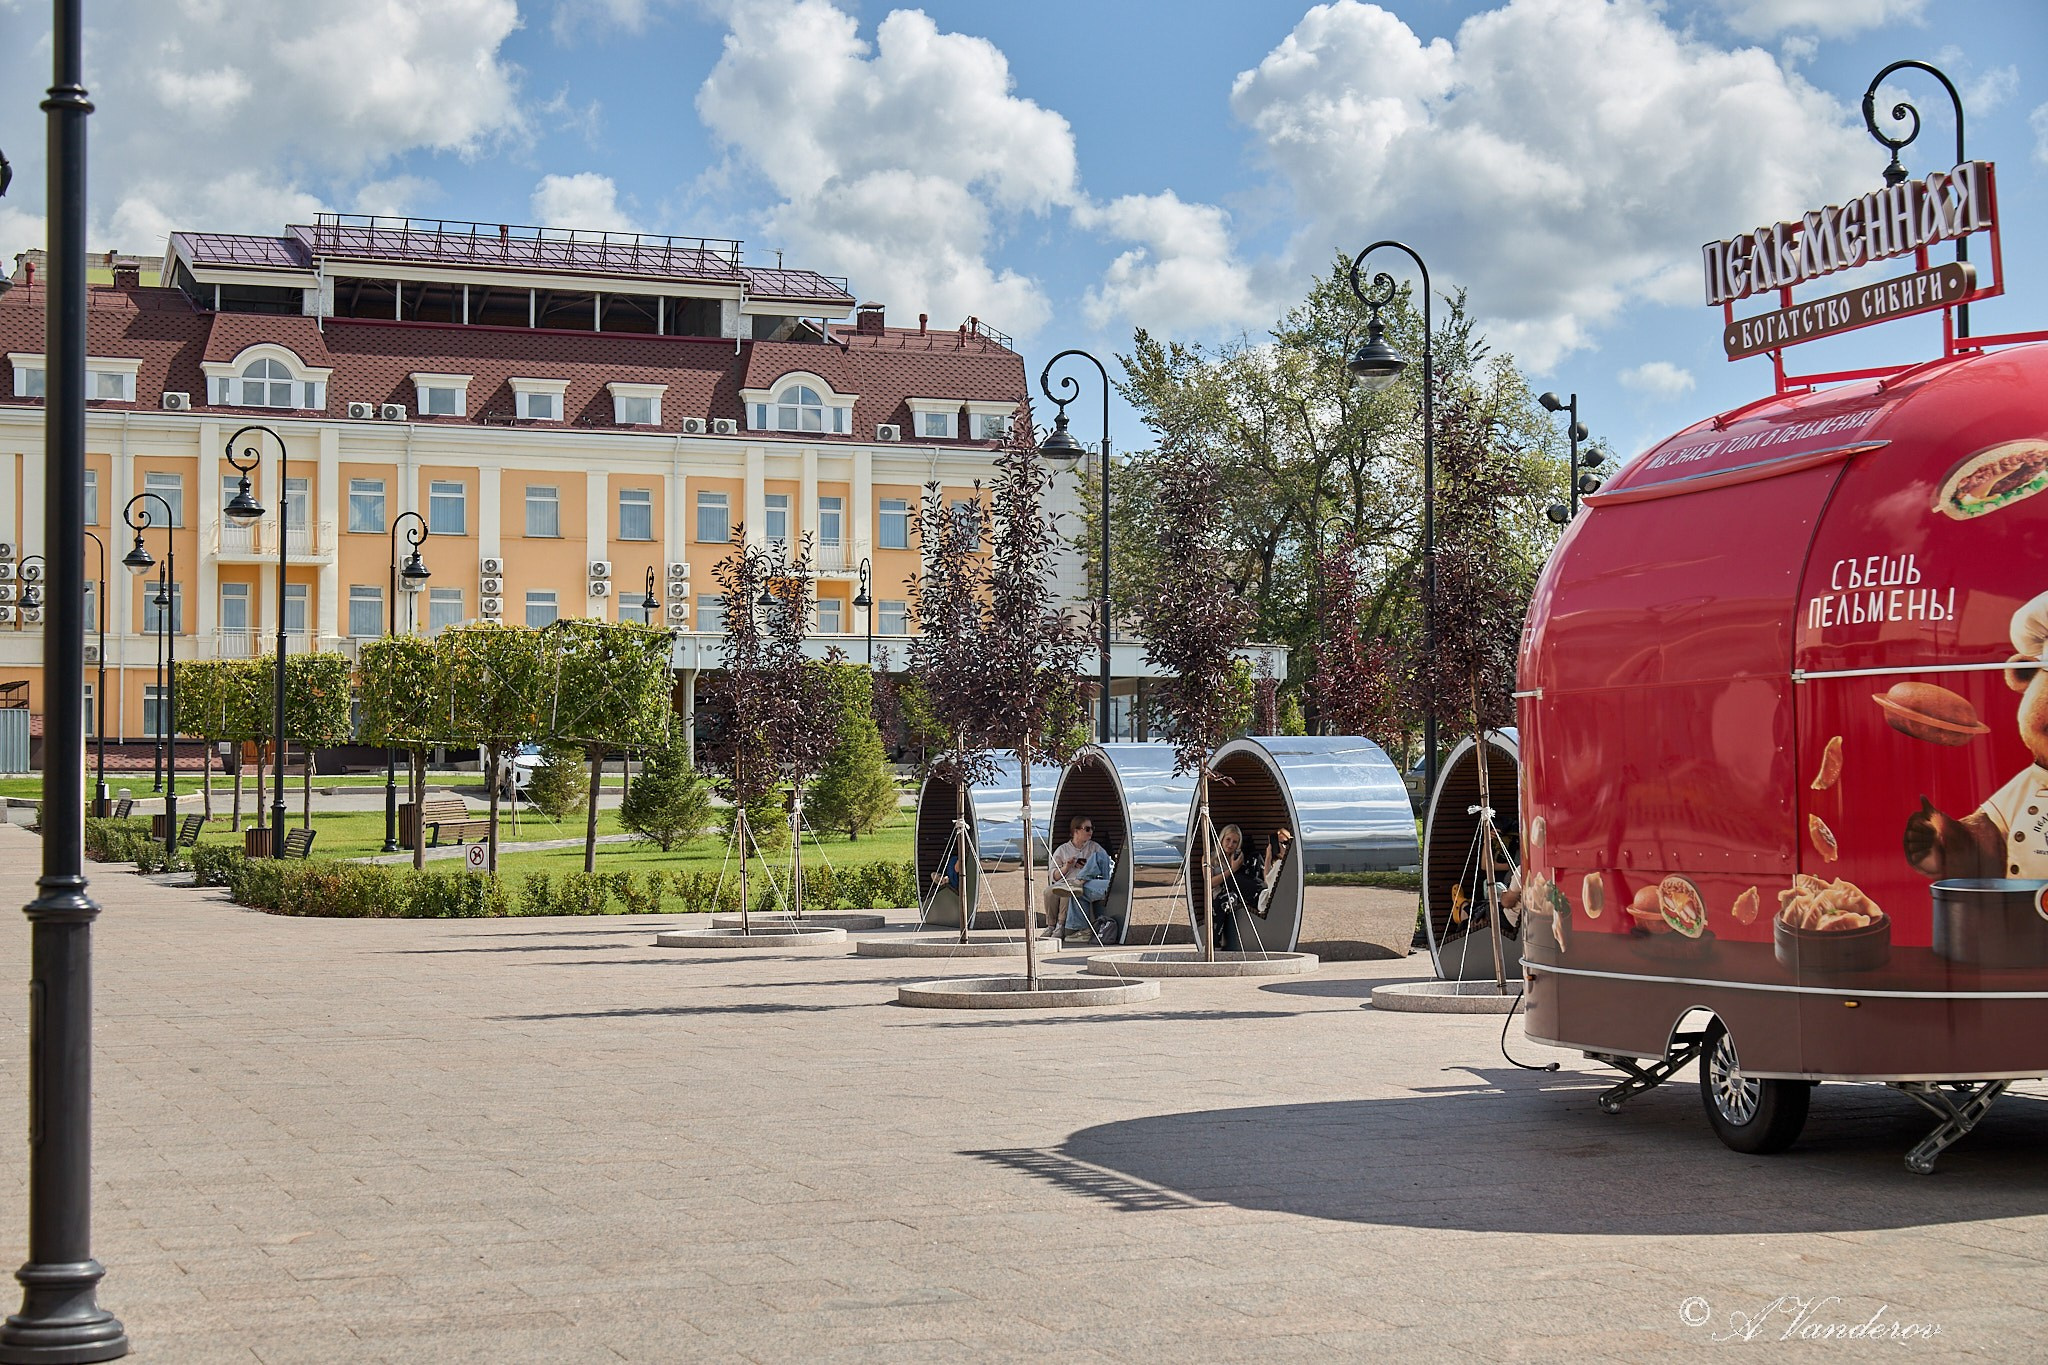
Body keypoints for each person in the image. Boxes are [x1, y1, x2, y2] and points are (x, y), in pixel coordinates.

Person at [1046, 814, 1113, 942]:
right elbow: (1053, 876)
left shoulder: (1095, 847)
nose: (1091, 832)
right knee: (1050, 891)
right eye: (1087, 829)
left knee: (1071, 891)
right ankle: (1051, 926)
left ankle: (1061, 926)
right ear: (1076, 831)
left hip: (1090, 882)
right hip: (1065, 880)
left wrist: (1089, 866)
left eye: (1092, 828)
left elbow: (1107, 866)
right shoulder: (1063, 849)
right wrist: (1067, 867)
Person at [1206, 823, 1259, 951]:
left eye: (1235, 842)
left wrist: (1236, 865)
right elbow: (1210, 883)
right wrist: (1231, 869)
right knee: (1225, 899)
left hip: (1236, 893)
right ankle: (1215, 941)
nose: (1230, 844)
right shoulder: (1209, 858)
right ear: (1222, 839)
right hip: (1218, 894)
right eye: (1228, 840)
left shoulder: (1236, 858)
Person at [1253, 825, 1293, 919]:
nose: (1283, 846)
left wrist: (1268, 857)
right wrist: (1268, 857)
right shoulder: (1279, 864)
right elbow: (1269, 880)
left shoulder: (1281, 864)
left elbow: (1267, 880)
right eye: (1279, 843)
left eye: (1286, 843)